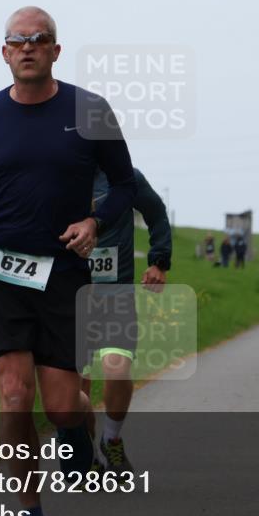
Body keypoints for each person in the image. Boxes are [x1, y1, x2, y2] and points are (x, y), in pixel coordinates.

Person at [0, 6, 136, 516]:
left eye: (40, 39)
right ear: (4, 53)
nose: (28, 47)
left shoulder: (90, 111)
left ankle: (77, 435)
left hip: (64, 275)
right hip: (2, 271)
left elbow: (124, 187)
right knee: (13, 396)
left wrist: (94, 222)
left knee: (60, 404)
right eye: (17, 40)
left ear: (56, 51)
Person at [82, 167, 171, 474]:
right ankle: (86, 451)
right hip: (68, 294)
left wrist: (159, 261)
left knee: (117, 368)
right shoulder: (56, 172)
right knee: (75, 386)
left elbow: (157, 213)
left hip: (115, 291)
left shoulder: (126, 177)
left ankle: (111, 439)